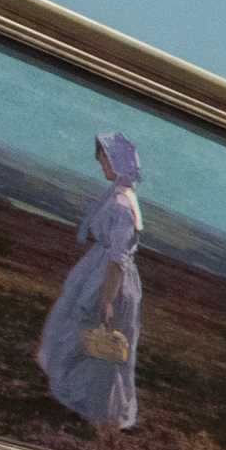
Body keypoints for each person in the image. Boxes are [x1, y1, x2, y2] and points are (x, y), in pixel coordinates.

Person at [36, 132, 146, 434]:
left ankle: (99, 413)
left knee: (99, 343)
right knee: (79, 334)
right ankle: (82, 401)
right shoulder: (116, 196)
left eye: (105, 161)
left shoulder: (123, 205)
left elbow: (118, 257)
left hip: (111, 278)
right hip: (99, 270)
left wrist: (108, 298)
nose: (102, 167)